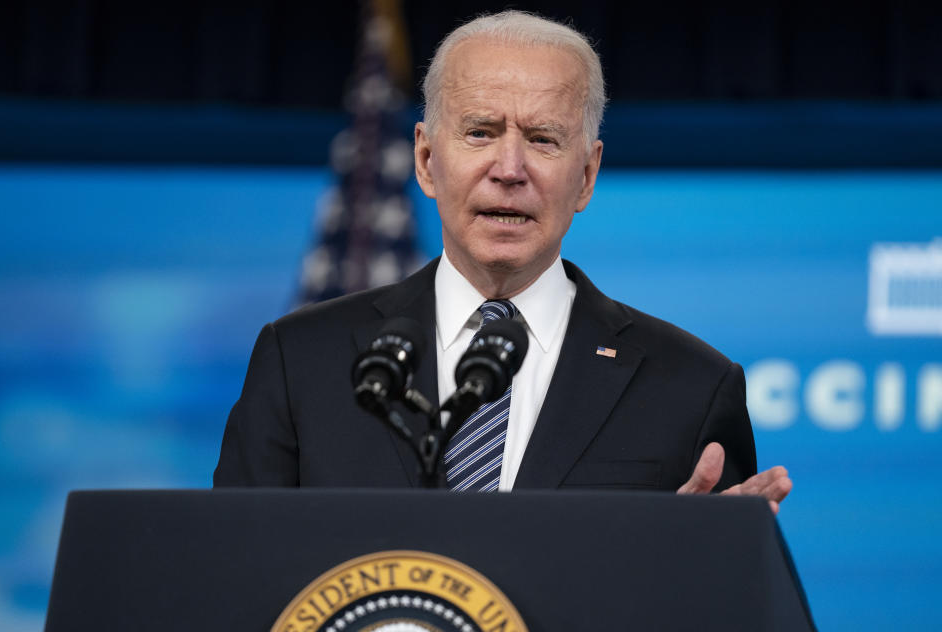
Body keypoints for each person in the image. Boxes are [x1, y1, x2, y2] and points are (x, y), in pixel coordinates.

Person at [214, 10, 792, 512]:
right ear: (424, 159)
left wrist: (710, 568)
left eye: (543, 139)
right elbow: (233, 580)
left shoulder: (691, 386)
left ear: (586, 176)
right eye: (480, 132)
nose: (509, 168)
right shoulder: (300, 362)